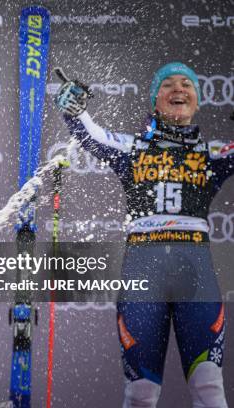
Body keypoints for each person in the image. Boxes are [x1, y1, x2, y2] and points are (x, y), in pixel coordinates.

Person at [55, 62, 233, 408]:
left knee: (210, 388)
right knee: (140, 394)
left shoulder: (211, 155)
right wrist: (73, 108)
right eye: (168, 84)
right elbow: (90, 133)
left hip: (194, 274)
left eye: (187, 85)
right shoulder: (133, 148)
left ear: (196, 101)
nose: (179, 89)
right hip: (143, 273)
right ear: (155, 100)